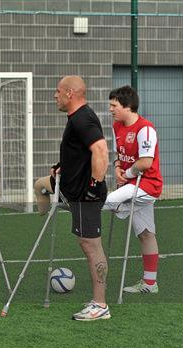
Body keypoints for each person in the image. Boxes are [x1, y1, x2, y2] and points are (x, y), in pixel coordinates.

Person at [37, 76, 110, 320]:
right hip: (77, 192)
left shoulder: (82, 119)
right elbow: (81, 152)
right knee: (86, 243)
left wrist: (94, 186)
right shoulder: (77, 119)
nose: (54, 96)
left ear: (70, 93)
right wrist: (63, 166)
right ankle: (98, 302)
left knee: (91, 245)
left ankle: (100, 305)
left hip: (86, 196)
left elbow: (100, 151)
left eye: (57, 91)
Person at [105, 85, 163, 294]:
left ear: (128, 106)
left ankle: (77, 209)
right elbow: (118, 154)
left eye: (114, 105)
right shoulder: (117, 126)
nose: (110, 109)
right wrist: (118, 167)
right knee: (146, 234)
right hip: (131, 184)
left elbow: (146, 162)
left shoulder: (145, 128)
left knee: (108, 201)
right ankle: (150, 284)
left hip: (147, 185)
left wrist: (127, 173)